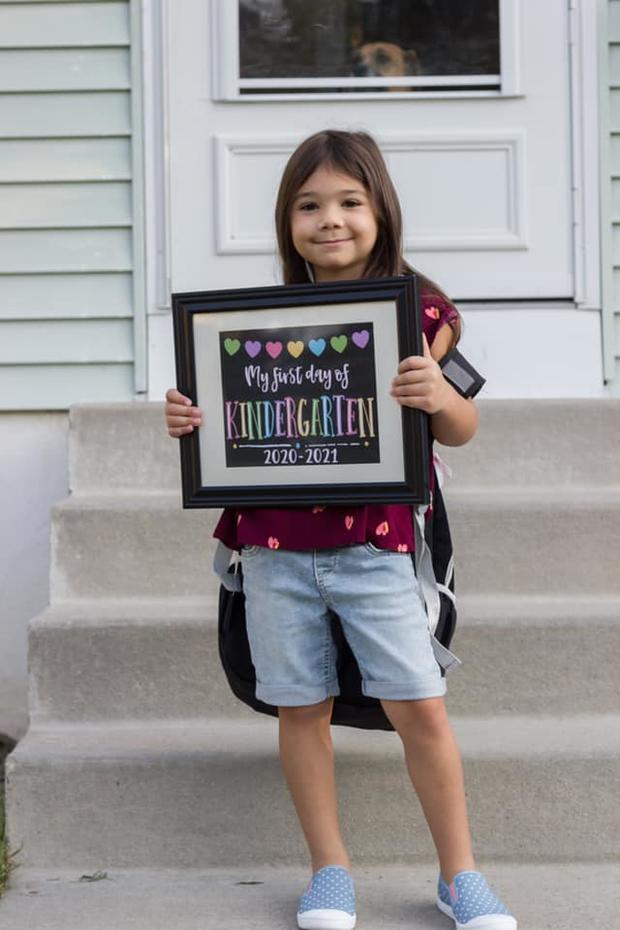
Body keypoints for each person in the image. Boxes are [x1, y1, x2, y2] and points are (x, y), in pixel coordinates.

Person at [165, 130, 516, 930]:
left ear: (380, 209)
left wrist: (439, 397)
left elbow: (460, 428)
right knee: (300, 706)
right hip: (274, 550)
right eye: (309, 204)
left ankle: (459, 875)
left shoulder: (423, 310)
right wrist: (191, 417)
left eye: (350, 202)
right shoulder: (253, 325)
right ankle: (330, 871)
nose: (332, 220)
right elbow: (227, 424)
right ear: (288, 222)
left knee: (420, 705)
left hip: (377, 545)